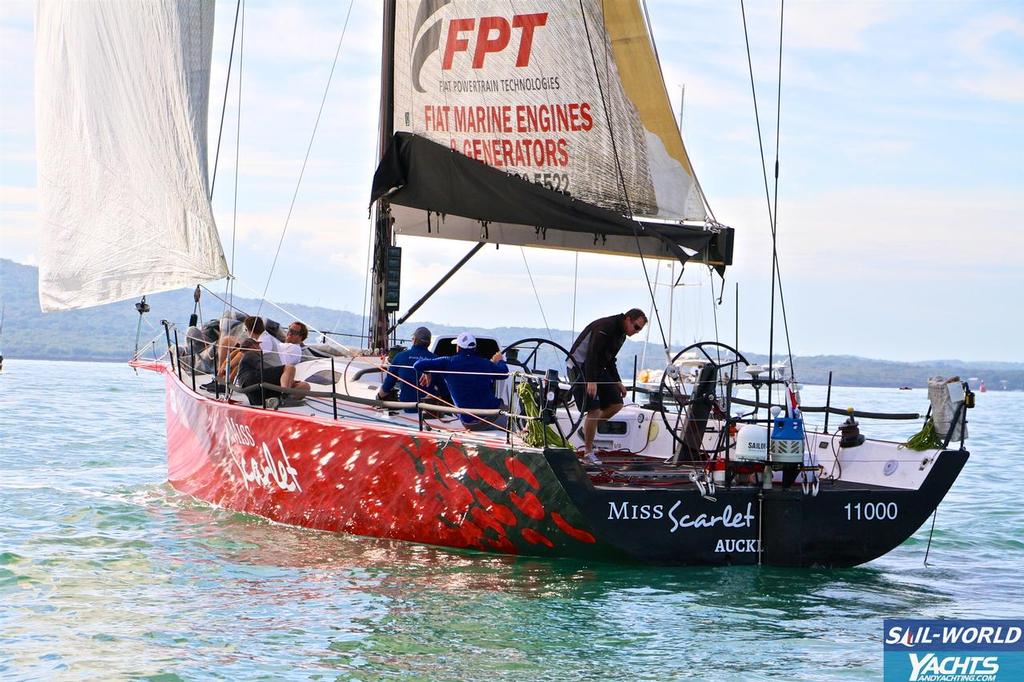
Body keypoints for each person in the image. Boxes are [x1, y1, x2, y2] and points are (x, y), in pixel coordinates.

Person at [568, 308, 647, 464]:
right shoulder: (606, 326)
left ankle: (586, 430)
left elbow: (609, 359)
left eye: (640, 330)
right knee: (594, 409)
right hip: (580, 365)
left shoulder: (621, 335)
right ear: (628, 319)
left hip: (597, 367)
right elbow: (592, 353)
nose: (637, 332)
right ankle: (588, 452)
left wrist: (617, 381)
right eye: (636, 327)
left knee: (617, 404)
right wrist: (591, 380)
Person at [414, 332, 509, 430]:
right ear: (474, 348)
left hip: (468, 423)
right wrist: (499, 360)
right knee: (508, 411)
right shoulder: (485, 364)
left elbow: (417, 365)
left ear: (458, 348)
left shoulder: (447, 362)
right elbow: (504, 373)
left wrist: (427, 372)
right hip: (492, 416)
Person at [375, 326, 443, 412]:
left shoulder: (400, 357)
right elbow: (444, 390)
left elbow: (387, 385)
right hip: (429, 412)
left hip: (407, 410)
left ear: (414, 339)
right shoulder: (436, 360)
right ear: (429, 342)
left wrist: (378, 398)